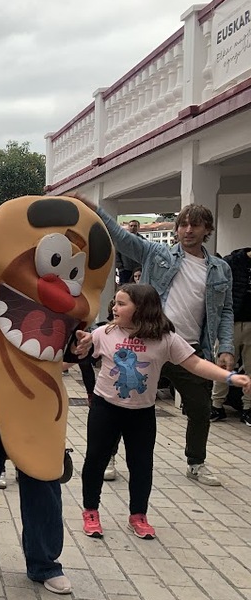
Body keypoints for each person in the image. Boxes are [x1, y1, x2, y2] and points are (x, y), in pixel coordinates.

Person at [0, 178, 113, 600]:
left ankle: (45, 563)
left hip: (40, 399)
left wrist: (80, 347)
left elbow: (68, 346)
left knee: (43, 477)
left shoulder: (70, 296)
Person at [73, 284, 251, 539]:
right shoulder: (105, 332)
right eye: (115, 302)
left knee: (141, 465)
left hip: (142, 414)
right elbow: (77, 356)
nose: (114, 308)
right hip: (105, 409)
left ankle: (138, 515)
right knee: (95, 461)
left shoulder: (165, 339)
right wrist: (77, 348)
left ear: (141, 308)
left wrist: (231, 378)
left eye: (121, 304)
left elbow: (196, 364)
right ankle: (91, 510)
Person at [82, 199, 234, 487]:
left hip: (188, 348)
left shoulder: (220, 269)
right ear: (176, 229)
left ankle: (196, 462)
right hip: (147, 344)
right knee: (120, 401)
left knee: (200, 408)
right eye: (183, 224)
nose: (188, 230)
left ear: (207, 229)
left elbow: (225, 310)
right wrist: (95, 210)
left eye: (195, 225)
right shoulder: (157, 253)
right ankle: (109, 456)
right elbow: (121, 237)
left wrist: (226, 346)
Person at [211, 247, 251, 424]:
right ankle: (216, 405)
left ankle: (248, 408)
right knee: (223, 365)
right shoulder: (232, 262)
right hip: (231, 322)